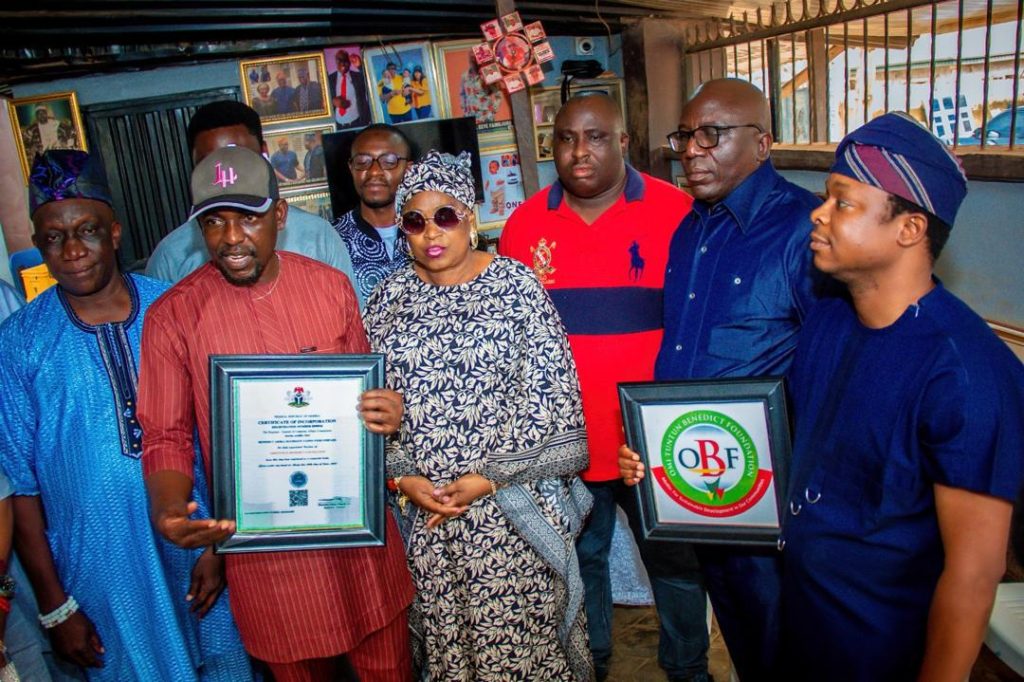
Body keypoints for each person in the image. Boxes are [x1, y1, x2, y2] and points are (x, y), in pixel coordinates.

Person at [139, 146, 414, 682]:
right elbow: (165, 434)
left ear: (280, 215)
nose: (231, 237)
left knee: (388, 667)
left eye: (248, 218)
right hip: (269, 559)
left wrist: (386, 409)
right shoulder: (173, 317)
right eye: (214, 222)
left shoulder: (329, 287)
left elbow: (367, 399)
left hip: (356, 541)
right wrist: (169, 507)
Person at [775, 112, 1024, 680]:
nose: (818, 212)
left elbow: (973, 575)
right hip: (808, 626)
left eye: (843, 202)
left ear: (909, 229)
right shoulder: (830, 320)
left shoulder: (964, 374)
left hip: (885, 650)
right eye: (826, 197)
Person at [0, 150, 251, 681]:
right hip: (100, 572)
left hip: (195, 547)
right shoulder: (18, 342)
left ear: (114, 232)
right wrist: (55, 605)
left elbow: (226, 433)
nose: (72, 251)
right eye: (53, 237)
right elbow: (20, 487)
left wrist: (220, 546)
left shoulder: (177, 307)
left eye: (87, 231)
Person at [616, 78, 828, 681]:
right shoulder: (691, 230)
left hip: (773, 501)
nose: (692, 150)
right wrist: (654, 441)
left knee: (788, 647)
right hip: (706, 490)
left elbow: (828, 371)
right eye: (685, 135)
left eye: (712, 134)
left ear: (762, 142)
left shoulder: (803, 230)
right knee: (742, 639)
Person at [363, 150, 592, 681]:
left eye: (445, 216)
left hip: (509, 510)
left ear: (469, 218)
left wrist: (487, 478)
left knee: (520, 652)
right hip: (429, 514)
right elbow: (372, 404)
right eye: (415, 221)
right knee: (451, 652)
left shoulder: (516, 287)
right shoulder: (387, 300)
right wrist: (404, 477)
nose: (431, 232)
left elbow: (552, 396)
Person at [499, 93, 695, 681]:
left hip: (653, 437)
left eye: (596, 136)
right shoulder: (524, 224)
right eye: (565, 138)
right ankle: (596, 664)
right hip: (569, 440)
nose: (579, 151)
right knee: (584, 560)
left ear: (624, 141)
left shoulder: (677, 211)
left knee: (675, 565)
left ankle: (688, 669)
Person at [145, 101, 357, 301]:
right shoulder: (170, 257)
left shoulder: (318, 236)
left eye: (240, 157)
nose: (228, 173)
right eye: (210, 163)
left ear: (264, 151)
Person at [331, 124, 413, 301]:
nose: (374, 171)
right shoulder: (332, 239)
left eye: (389, 162)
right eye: (362, 162)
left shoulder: (430, 230)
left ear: (408, 169)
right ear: (351, 168)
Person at [328, 50, 370, 128]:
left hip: (358, 123)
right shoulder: (329, 79)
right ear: (336, 62)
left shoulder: (358, 77)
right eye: (340, 60)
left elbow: (371, 82)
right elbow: (323, 100)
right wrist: (333, 101)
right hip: (338, 126)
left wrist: (360, 66)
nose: (343, 64)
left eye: (345, 60)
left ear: (350, 62)